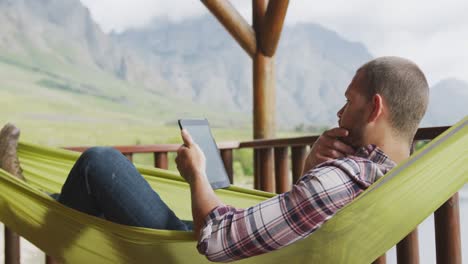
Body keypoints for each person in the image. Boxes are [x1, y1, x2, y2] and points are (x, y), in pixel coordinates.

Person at [56, 56, 429, 262]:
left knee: (99, 163)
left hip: (207, 255)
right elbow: (301, 224)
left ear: (374, 108)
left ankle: (51, 217)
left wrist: (196, 174)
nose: (339, 112)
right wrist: (309, 170)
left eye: (349, 101)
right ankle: (58, 204)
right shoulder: (398, 177)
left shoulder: (341, 180)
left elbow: (215, 240)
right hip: (259, 250)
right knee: (106, 203)